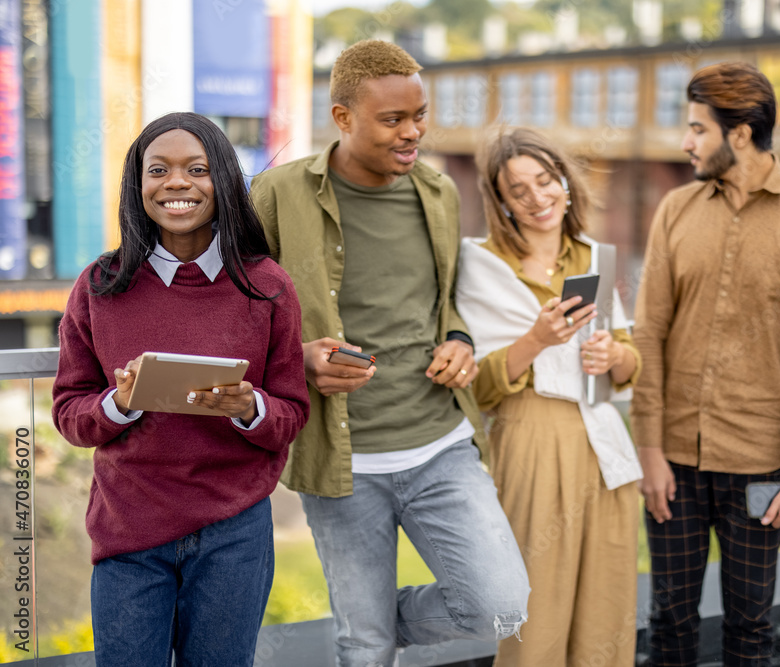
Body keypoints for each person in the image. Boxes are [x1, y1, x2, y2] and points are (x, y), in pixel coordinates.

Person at [249, 40, 529, 667]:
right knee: (365, 649)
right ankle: (365, 627)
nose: (414, 133)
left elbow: (446, 301)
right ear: (343, 118)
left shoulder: (439, 193)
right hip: (341, 463)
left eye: (420, 115)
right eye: (393, 120)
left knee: (499, 607)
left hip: (442, 445)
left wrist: (460, 340)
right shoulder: (278, 194)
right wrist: (296, 358)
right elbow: (231, 313)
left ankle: (369, 619)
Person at [51, 111, 310, 666]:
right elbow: (70, 413)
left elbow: (291, 413)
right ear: (136, 184)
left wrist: (249, 407)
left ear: (222, 180)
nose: (176, 183)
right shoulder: (100, 284)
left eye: (196, 169)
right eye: (158, 170)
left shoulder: (267, 285)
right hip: (129, 530)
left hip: (233, 532)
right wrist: (120, 403)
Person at [631, 61, 780, 666]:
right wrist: (648, 450)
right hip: (673, 457)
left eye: (698, 129)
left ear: (742, 134)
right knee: (668, 622)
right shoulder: (675, 211)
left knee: (750, 629)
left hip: (760, 464)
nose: (685, 142)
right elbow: (648, 335)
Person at [456, 126, 644, 667]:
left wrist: (614, 358)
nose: (537, 197)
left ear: (564, 182)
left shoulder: (593, 257)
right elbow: (480, 385)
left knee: (607, 608)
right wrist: (537, 339)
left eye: (545, 180)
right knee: (535, 608)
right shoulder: (480, 266)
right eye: (519, 190)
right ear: (502, 203)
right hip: (529, 439)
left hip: (604, 445)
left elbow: (632, 361)